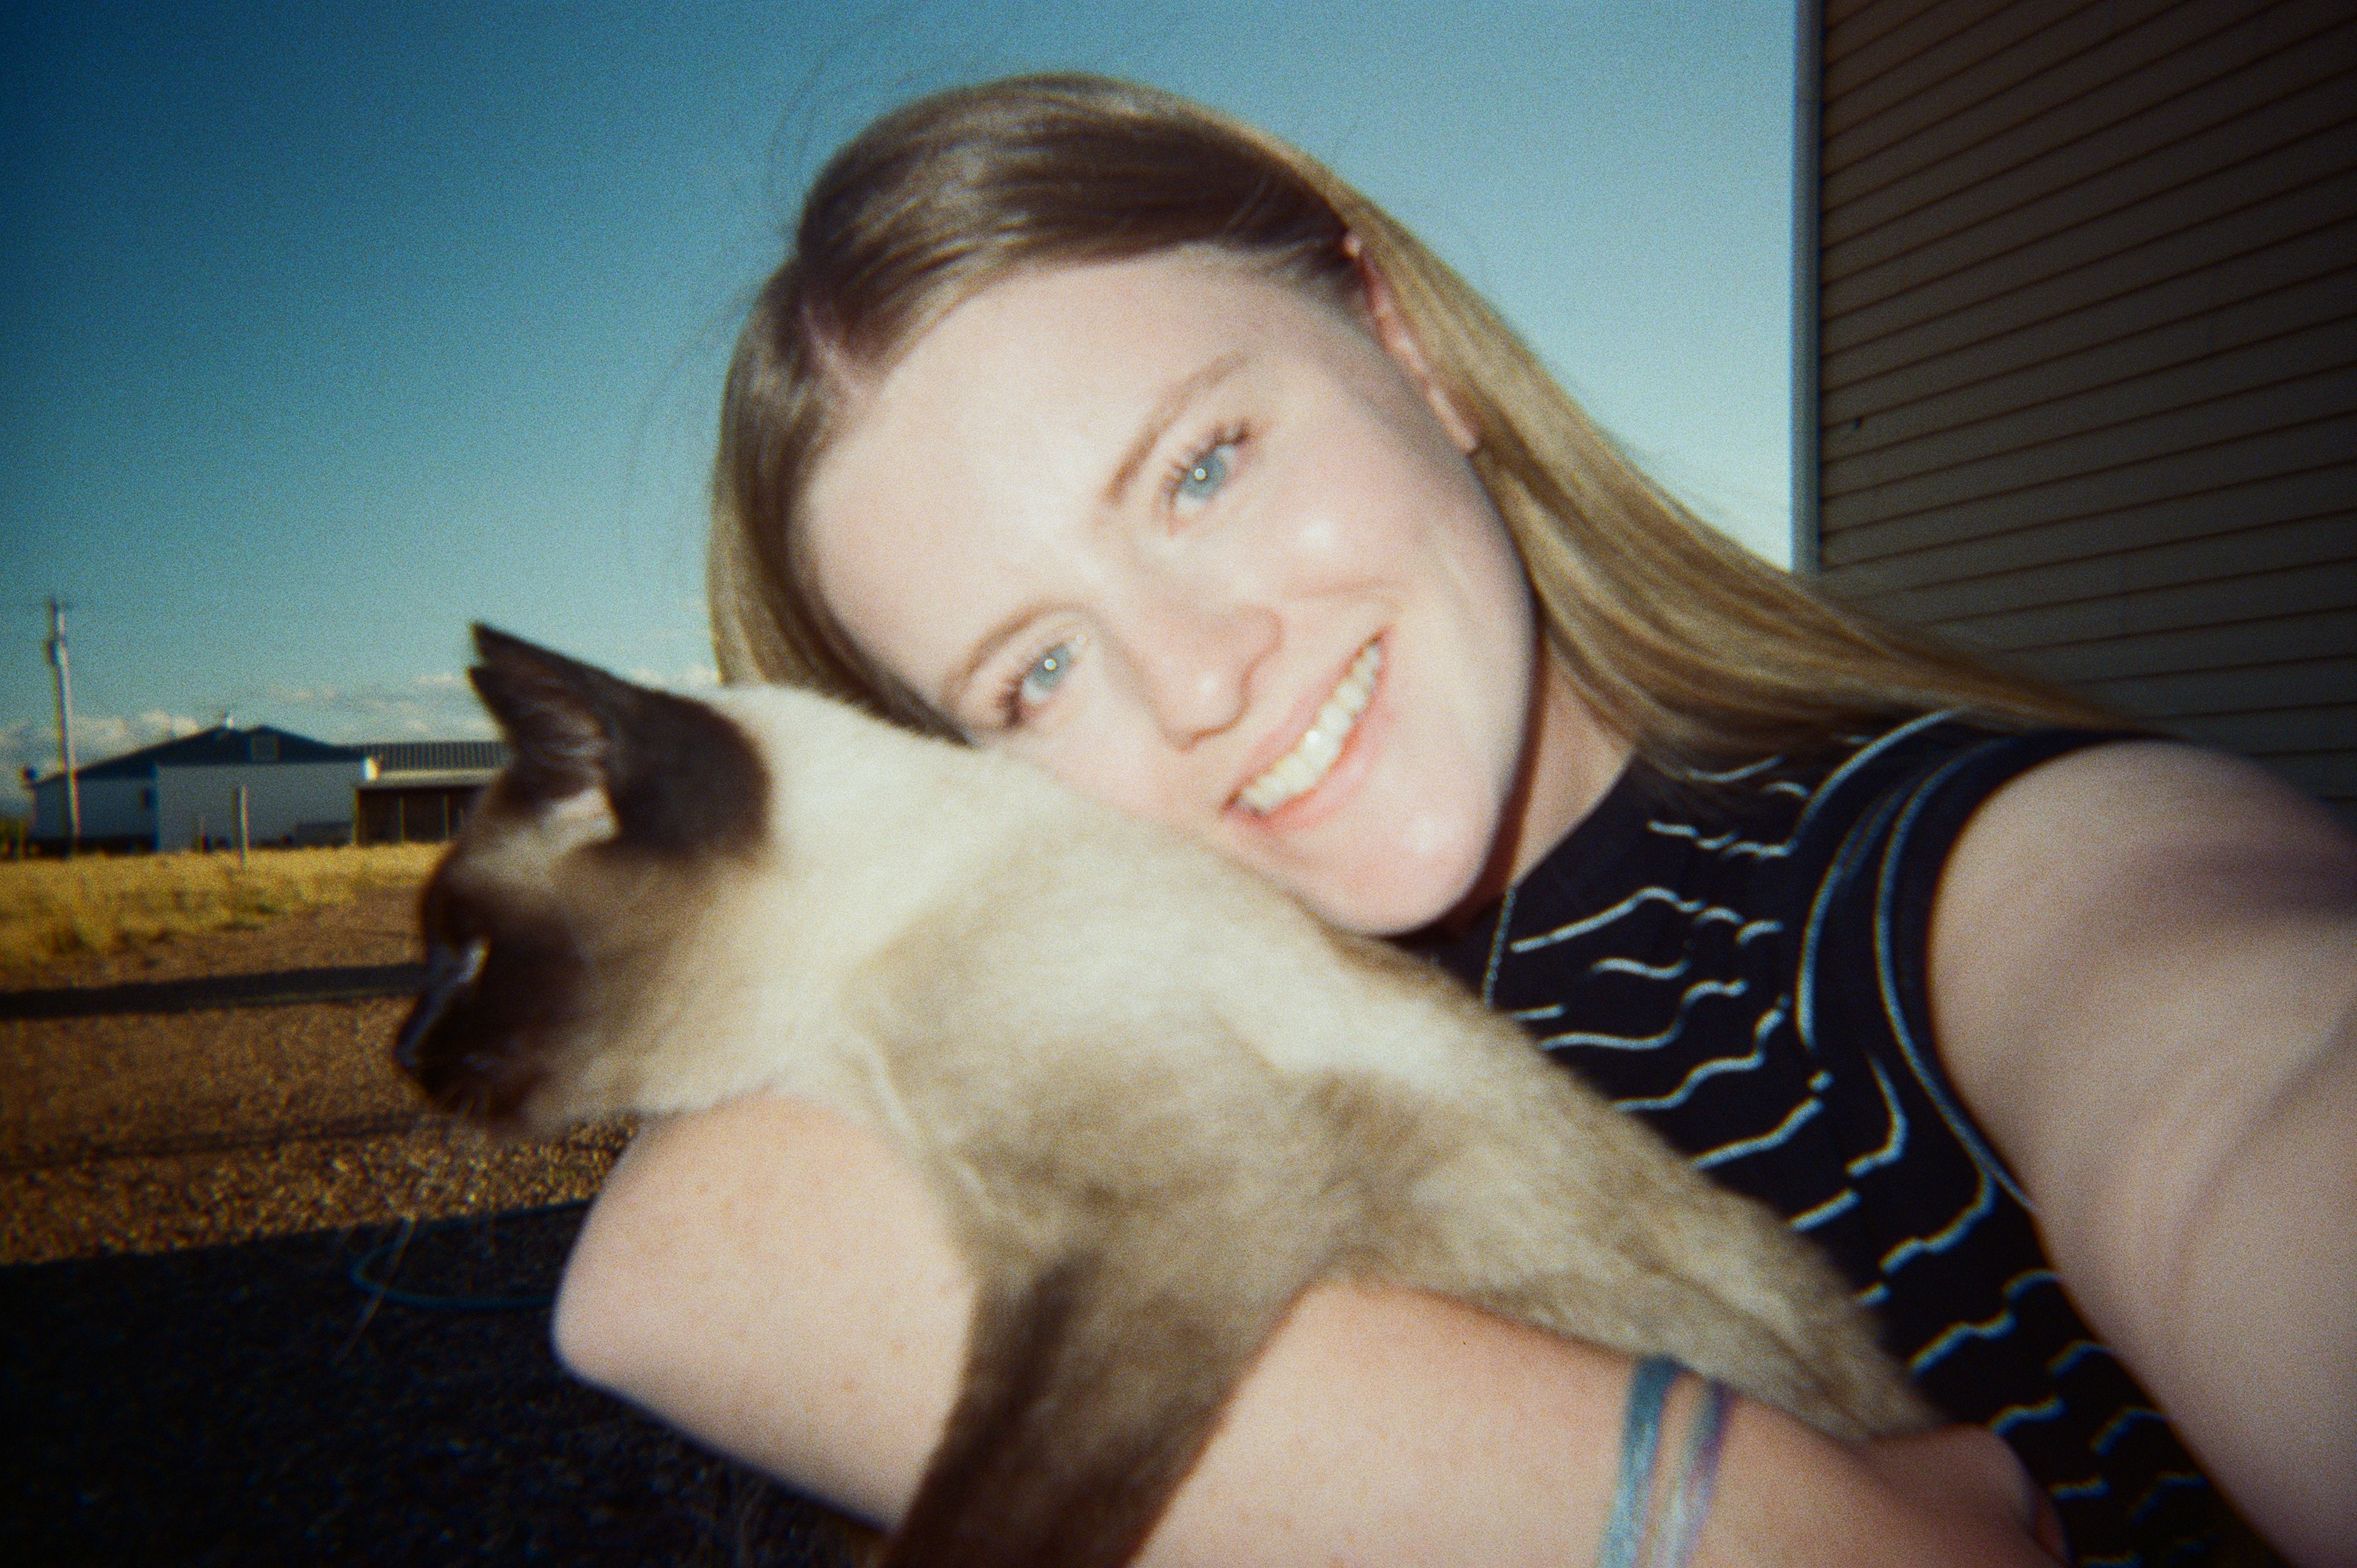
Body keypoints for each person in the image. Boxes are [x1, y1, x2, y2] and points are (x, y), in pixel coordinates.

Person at [550, 75, 2354, 1567]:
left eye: (1202, 466)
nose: (1195, 679)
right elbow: (670, 1254)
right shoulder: (1177, 1039)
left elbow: (2245, 1081)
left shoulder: (1939, 890)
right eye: (1035, 674)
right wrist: (1714, 1512)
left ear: (1411, 352)